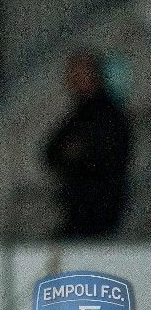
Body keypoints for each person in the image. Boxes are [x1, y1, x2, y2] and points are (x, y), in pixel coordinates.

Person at [44, 50, 132, 238]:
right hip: (80, 208)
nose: (72, 79)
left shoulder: (106, 114)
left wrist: (76, 154)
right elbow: (51, 152)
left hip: (99, 208)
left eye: (78, 73)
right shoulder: (81, 114)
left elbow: (101, 156)